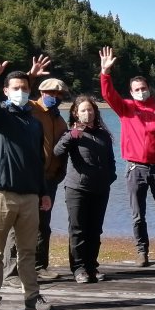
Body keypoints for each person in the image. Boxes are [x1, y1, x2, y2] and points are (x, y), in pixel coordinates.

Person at [0, 60, 55, 310]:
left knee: (27, 251)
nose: (20, 92)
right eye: (15, 88)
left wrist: (44, 192)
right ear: (6, 91)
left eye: (24, 88)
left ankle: (32, 296)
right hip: (1, 194)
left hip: (30, 196)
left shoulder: (34, 123)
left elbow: (38, 161)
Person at [99, 46, 155, 267]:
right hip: (135, 168)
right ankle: (142, 251)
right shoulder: (126, 108)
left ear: (148, 89)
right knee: (137, 213)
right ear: (131, 92)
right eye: (136, 89)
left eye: (143, 88)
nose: (141, 91)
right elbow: (108, 94)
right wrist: (105, 73)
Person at [3, 63, 68, 284]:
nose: (55, 97)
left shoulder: (60, 120)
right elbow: (16, 96)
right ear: (41, 92)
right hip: (28, 177)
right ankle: (11, 272)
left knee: (43, 225)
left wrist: (60, 173)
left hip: (50, 180)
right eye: (51, 93)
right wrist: (30, 76)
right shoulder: (30, 108)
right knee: (18, 226)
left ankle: (40, 266)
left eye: (59, 94)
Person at [53, 95, 117, 283]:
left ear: (95, 112)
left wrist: (110, 177)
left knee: (95, 230)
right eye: (83, 110)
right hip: (77, 188)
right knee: (78, 229)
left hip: (100, 189)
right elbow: (57, 151)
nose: (87, 113)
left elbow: (111, 160)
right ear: (75, 113)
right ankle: (79, 268)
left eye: (90, 110)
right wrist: (71, 136)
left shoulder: (103, 135)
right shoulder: (72, 133)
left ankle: (91, 266)